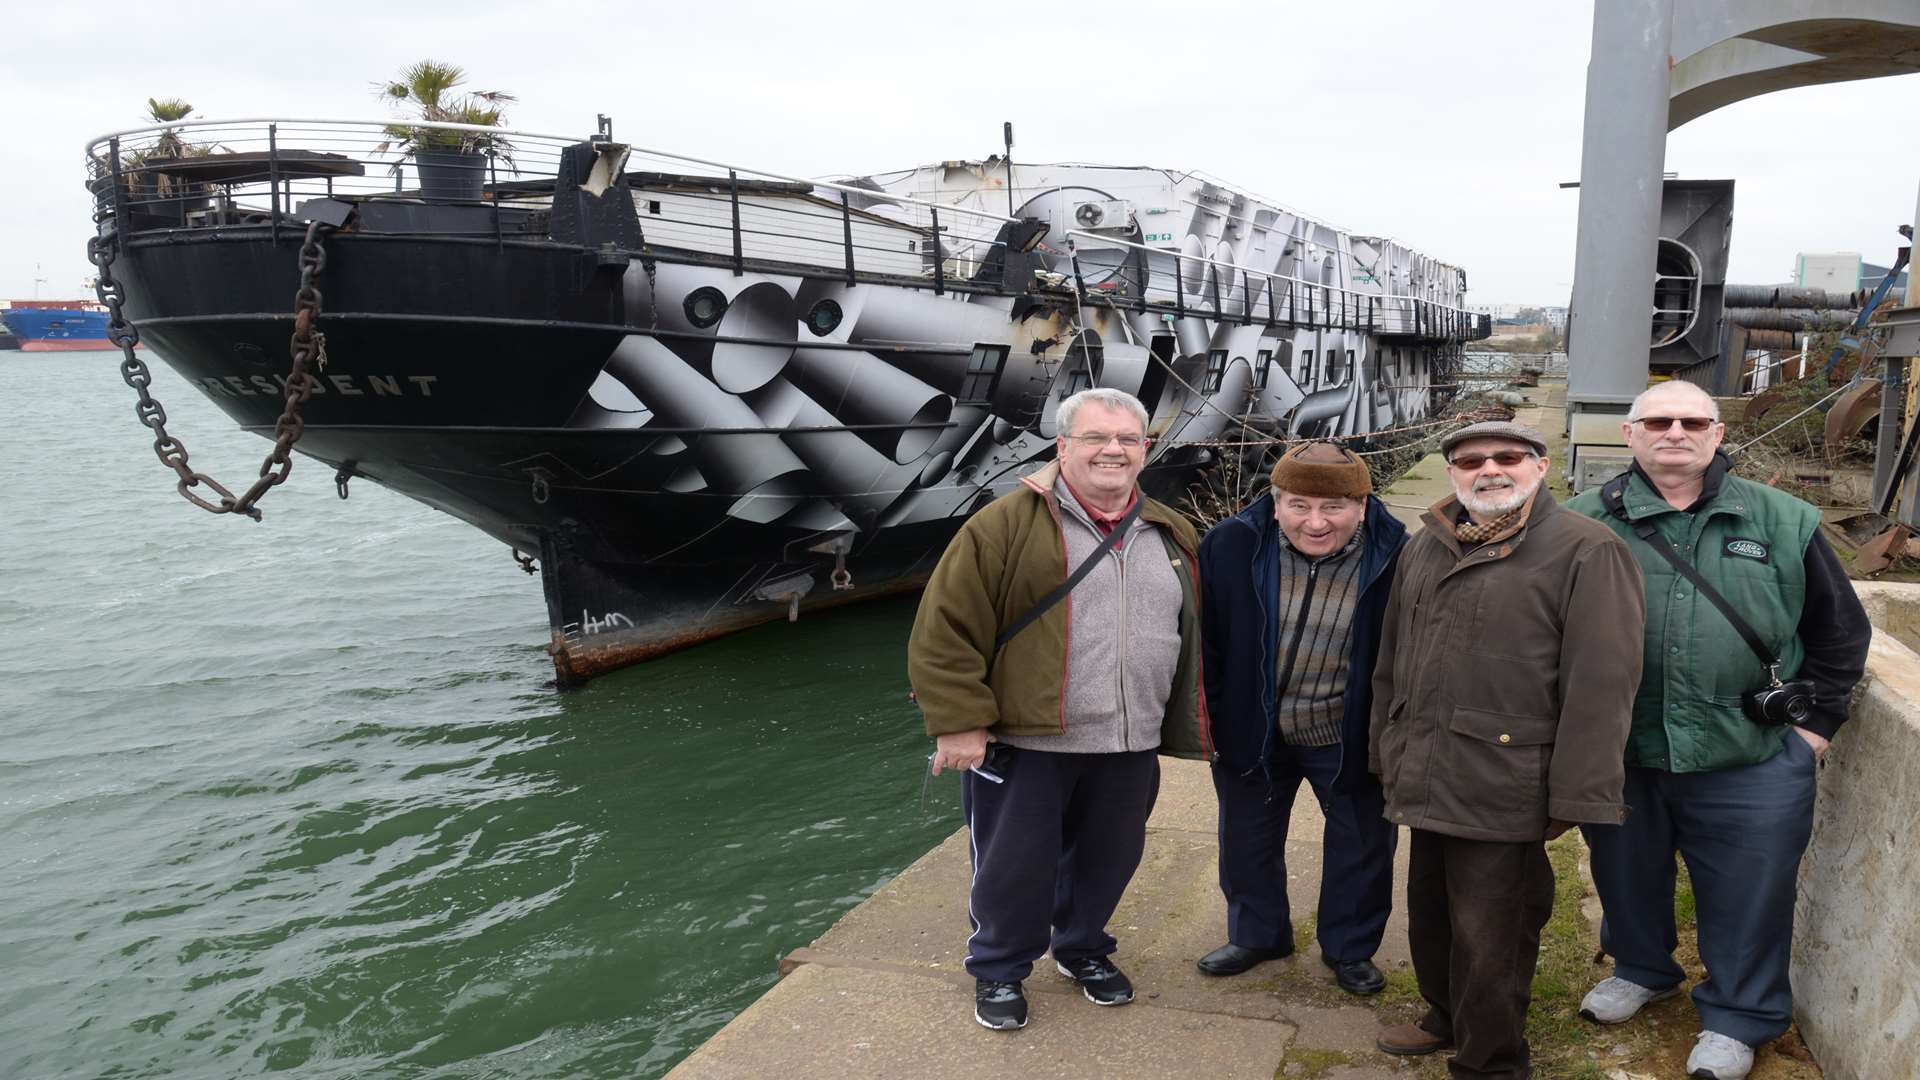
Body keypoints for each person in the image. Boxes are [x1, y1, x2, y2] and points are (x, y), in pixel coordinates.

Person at [1566, 381, 1871, 1080]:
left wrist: (1814, 731)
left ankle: (1738, 1016)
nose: (1676, 432)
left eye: (1692, 421)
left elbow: (1839, 632)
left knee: (1750, 889)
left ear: (1716, 432)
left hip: (1753, 752)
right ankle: (1641, 968)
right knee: (1625, 870)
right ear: (1630, 434)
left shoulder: (1784, 520)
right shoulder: (1581, 523)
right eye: (1659, 420)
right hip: (1623, 750)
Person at [906, 387, 1207, 1032]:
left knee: (1109, 859)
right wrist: (960, 721)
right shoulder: (1005, 525)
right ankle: (999, 967)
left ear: (1145, 451)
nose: (1113, 451)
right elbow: (945, 629)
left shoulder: (1167, 529)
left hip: (1130, 739)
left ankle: (1081, 948)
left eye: (1128, 440)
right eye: (1096, 438)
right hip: (1030, 740)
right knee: (1015, 867)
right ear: (1064, 447)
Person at [1369, 420, 1645, 1079]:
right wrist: (1387, 746)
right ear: (1453, 474)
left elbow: (1602, 683)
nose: (1488, 469)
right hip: (1428, 763)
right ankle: (1444, 1013)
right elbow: (1394, 656)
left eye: (1507, 457)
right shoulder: (1429, 543)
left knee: (1493, 932)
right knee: (1432, 909)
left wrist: (1578, 792)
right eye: (1470, 460)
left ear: (1541, 467)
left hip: (1508, 776)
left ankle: (1492, 1059)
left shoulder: (1587, 550)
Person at [1194, 441, 1406, 995]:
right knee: (1246, 839)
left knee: (1361, 845)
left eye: (1333, 508)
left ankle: (1349, 949)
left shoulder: (1397, 555)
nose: (1315, 523)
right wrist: (1215, 716)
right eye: (1299, 505)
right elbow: (1208, 638)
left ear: (1362, 504)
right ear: (1276, 500)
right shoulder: (1232, 543)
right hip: (1253, 723)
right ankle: (1258, 934)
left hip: (1344, 727)